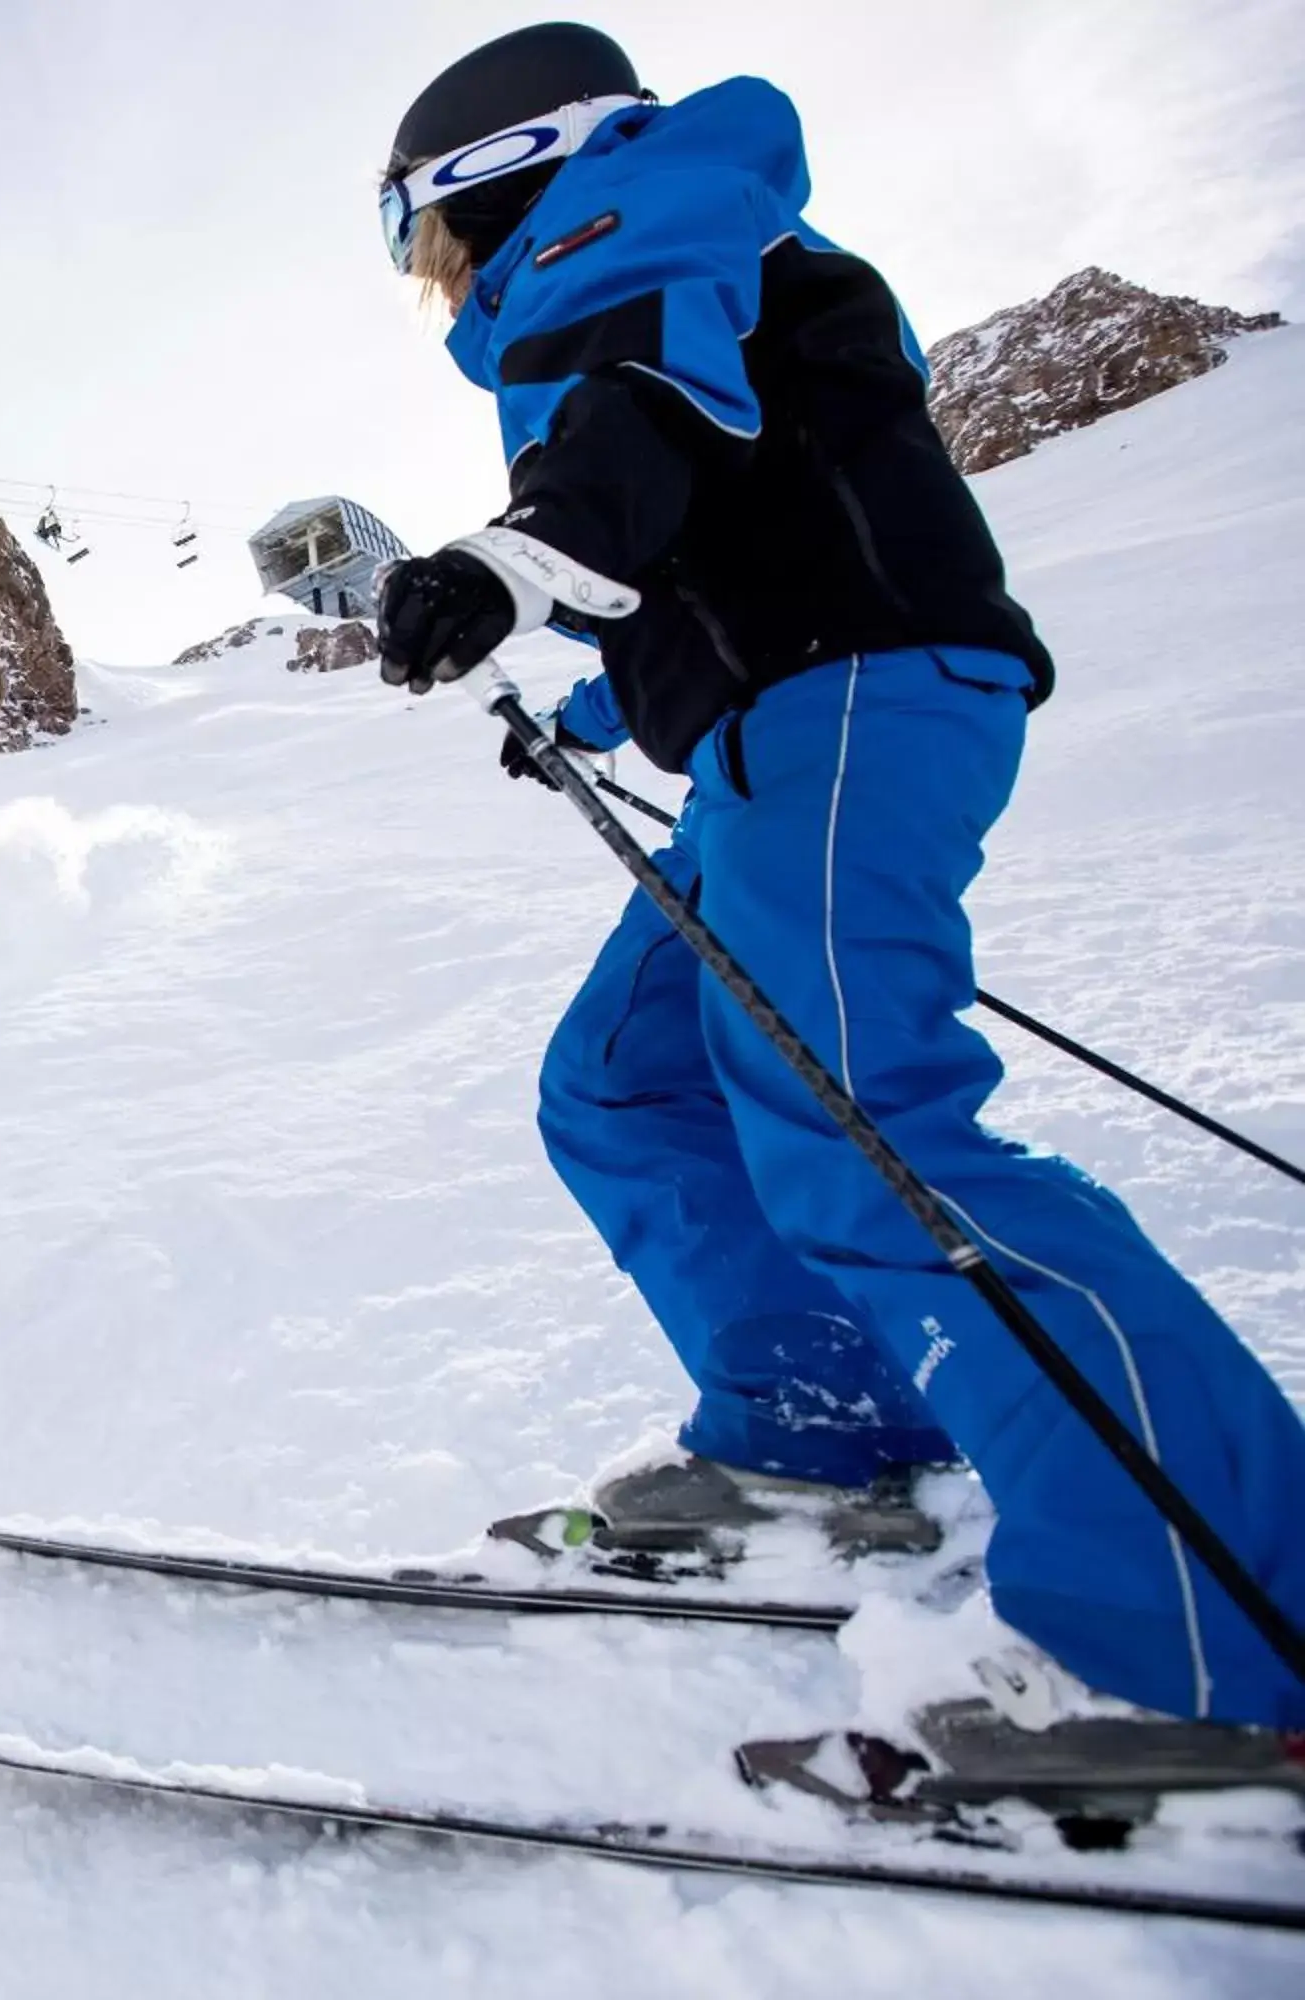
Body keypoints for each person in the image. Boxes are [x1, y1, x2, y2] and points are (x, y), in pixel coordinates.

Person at [367, 22, 1305, 1734]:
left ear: (486, 177)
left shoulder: (642, 204)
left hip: (855, 699)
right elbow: (714, 523)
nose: (429, 287)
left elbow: (651, 412)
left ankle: (1209, 1631)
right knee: (626, 1085)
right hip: (774, 731)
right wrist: (585, 696)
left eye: (417, 240)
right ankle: (829, 1437)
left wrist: (512, 560)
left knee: (869, 1130)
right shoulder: (658, 250)